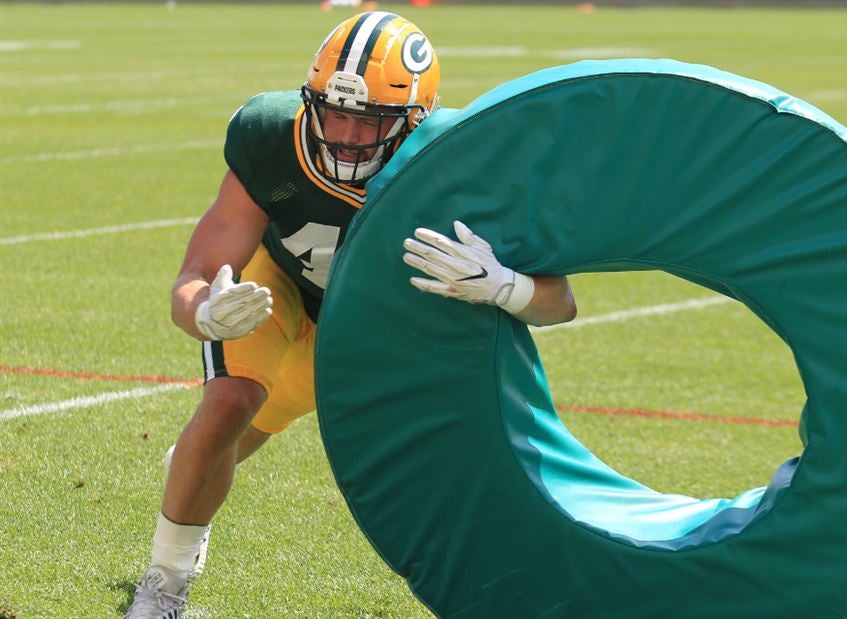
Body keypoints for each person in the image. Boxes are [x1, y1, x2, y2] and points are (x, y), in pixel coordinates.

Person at [125, 11, 576, 618]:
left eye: (367, 122)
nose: (344, 134)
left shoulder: (457, 163)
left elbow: (560, 303)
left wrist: (503, 285)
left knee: (244, 435)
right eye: (334, 113)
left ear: (414, 121)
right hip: (275, 288)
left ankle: (199, 467)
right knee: (228, 403)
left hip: (367, 328)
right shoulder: (270, 136)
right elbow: (194, 278)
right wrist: (206, 312)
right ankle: (165, 583)